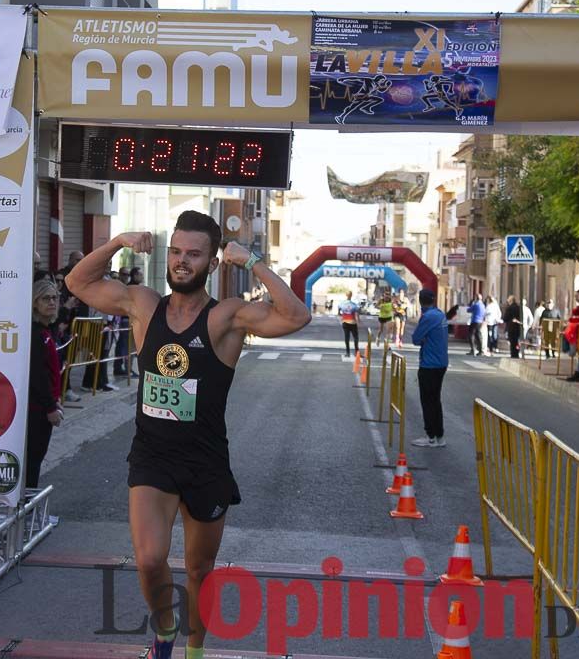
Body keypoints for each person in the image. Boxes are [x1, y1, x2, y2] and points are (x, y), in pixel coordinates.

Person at [65, 211, 310, 659]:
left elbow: (296, 316)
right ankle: (164, 628)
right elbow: (78, 283)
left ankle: (195, 649)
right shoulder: (143, 304)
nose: (181, 261)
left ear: (212, 265)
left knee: (199, 570)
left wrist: (252, 260)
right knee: (150, 558)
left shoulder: (227, 319)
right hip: (152, 457)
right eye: (176, 252)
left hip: (205, 462)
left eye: (193, 254)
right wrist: (117, 240)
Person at [28, 278, 65, 488]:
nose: (51, 303)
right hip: (37, 410)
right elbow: (37, 375)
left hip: (45, 406)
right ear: (35, 302)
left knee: (35, 461)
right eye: (45, 299)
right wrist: (50, 406)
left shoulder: (45, 331)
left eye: (54, 298)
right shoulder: (36, 334)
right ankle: (27, 513)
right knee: (32, 462)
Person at [410, 289, 449, 448]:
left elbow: (415, 339)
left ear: (420, 301)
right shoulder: (440, 314)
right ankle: (439, 436)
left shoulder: (427, 317)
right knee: (436, 400)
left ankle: (430, 436)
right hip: (441, 363)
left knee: (427, 401)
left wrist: (424, 339)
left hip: (429, 364)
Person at [338, 291, 360, 357]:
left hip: (345, 322)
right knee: (355, 337)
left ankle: (348, 353)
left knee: (346, 338)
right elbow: (357, 314)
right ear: (351, 295)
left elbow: (339, 313)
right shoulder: (354, 304)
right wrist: (358, 321)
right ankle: (356, 352)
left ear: (346, 295)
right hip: (353, 322)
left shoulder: (342, 304)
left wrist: (342, 317)